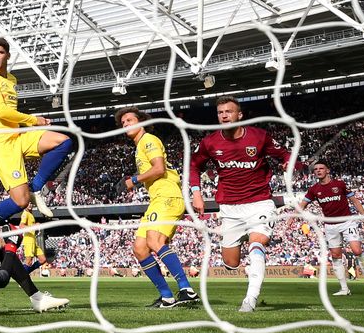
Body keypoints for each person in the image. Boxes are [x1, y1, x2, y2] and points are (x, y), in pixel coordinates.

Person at [188, 96, 295, 312]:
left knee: (257, 243)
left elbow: (285, 154)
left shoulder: (259, 136)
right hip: (229, 208)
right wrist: (196, 193)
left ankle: (250, 299)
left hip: (260, 203)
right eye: (220, 112)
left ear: (239, 115)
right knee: (231, 263)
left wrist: (287, 162)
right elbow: (193, 166)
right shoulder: (210, 142)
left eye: (229, 111)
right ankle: (250, 254)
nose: (224, 115)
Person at [0, 38, 74, 254]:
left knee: (63, 141)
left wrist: (26, 125)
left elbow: (11, 116)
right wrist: (34, 120)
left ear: (8, 55)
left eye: (0, 52)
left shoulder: (12, 79)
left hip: (17, 136)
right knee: (20, 201)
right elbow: (2, 113)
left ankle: (36, 187)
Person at [116, 107, 198, 308]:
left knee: (154, 239)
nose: (126, 124)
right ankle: (167, 297)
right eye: (123, 122)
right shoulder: (139, 146)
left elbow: (159, 168)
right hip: (157, 199)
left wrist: (133, 180)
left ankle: (186, 289)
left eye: (129, 120)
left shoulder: (148, 139)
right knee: (140, 248)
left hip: (168, 195)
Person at [292, 161, 364, 296]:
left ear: (327, 170)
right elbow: (302, 205)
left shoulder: (339, 184)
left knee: (357, 250)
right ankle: (344, 289)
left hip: (347, 222)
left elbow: (355, 201)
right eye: (316, 169)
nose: (318, 171)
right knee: (336, 256)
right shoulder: (314, 189)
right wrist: (292, 216)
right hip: (330, 225)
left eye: (321, 168)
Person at [18, 205, 47, 274]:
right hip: (28, 240)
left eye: (31, 203)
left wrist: (35, 229)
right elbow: (21, 226)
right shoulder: (25, 213)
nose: (30, 205)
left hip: (33, 239)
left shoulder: (30, 214)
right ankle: (22, 278)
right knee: (28, 261)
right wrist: (34, 226)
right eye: (28, 203)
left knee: (43, 259)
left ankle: (25, 274)